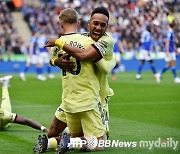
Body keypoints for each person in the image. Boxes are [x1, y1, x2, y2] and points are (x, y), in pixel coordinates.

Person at [34, 7, 115, 153]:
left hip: (91, 96)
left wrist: (58, 43)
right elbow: (76, 56)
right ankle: (63, 141)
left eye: (103, 25)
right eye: (95, 23)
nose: (98, 28)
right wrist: (54, 62)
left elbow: (85, 56)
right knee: (99, 142)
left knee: (79, 138)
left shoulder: (105, 40)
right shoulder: (87, 41)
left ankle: (53, 143)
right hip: (86, 98)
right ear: (87, 23)